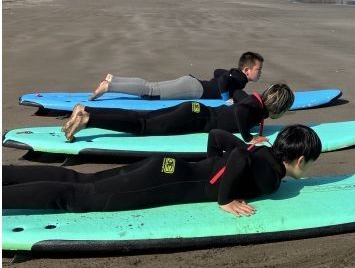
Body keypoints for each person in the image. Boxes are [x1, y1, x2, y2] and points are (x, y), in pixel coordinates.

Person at [3, 125, 321, 216]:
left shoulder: (261, 150)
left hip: (165, 165)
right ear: (301, 159)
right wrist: (223, 199)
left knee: (79, 179)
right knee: (77, 198)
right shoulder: (271, 180)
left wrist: (211, 168)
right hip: (160, 181)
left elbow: (219, 137)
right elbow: (236, 157)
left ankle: (7, 173)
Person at [63, 83, 295, 143]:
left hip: (193, 110)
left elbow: (240, 97)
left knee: (142, 118)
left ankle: (87, 111)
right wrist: (249, 137)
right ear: (279, 107)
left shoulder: (255, 101)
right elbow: (242, 112)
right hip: (194, 117)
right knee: (143, 126)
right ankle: (89, 118)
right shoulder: (254, 109)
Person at [88, 51, 264, 101]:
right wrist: (226, 98)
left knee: (151, 86)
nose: (260, 73)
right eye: (258, 70)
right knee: (150, 91)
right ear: (247, 70)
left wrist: (224, 85)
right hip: (194, 89)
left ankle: (114, 79)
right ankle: (109, 86)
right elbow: (223, 79)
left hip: (192, 83)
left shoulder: (234, 72)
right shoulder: (240, 79)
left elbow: (218, 72)